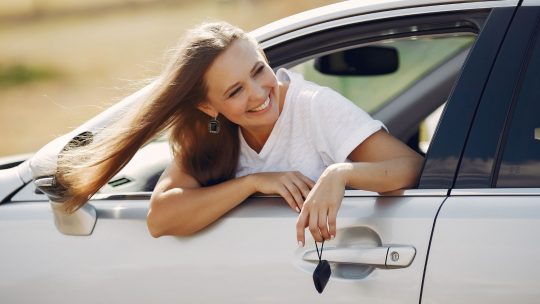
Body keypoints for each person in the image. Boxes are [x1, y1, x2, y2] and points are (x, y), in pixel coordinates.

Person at [57, 21, 423, 246]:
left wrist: (341, 174)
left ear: (264, 57)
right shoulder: (211, 132)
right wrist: (254, 183)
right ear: (208, 107)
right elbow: (161, 219)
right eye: (234, 91)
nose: (259, 94)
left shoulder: (313, 106)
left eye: (258, 70)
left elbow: (411, 166)